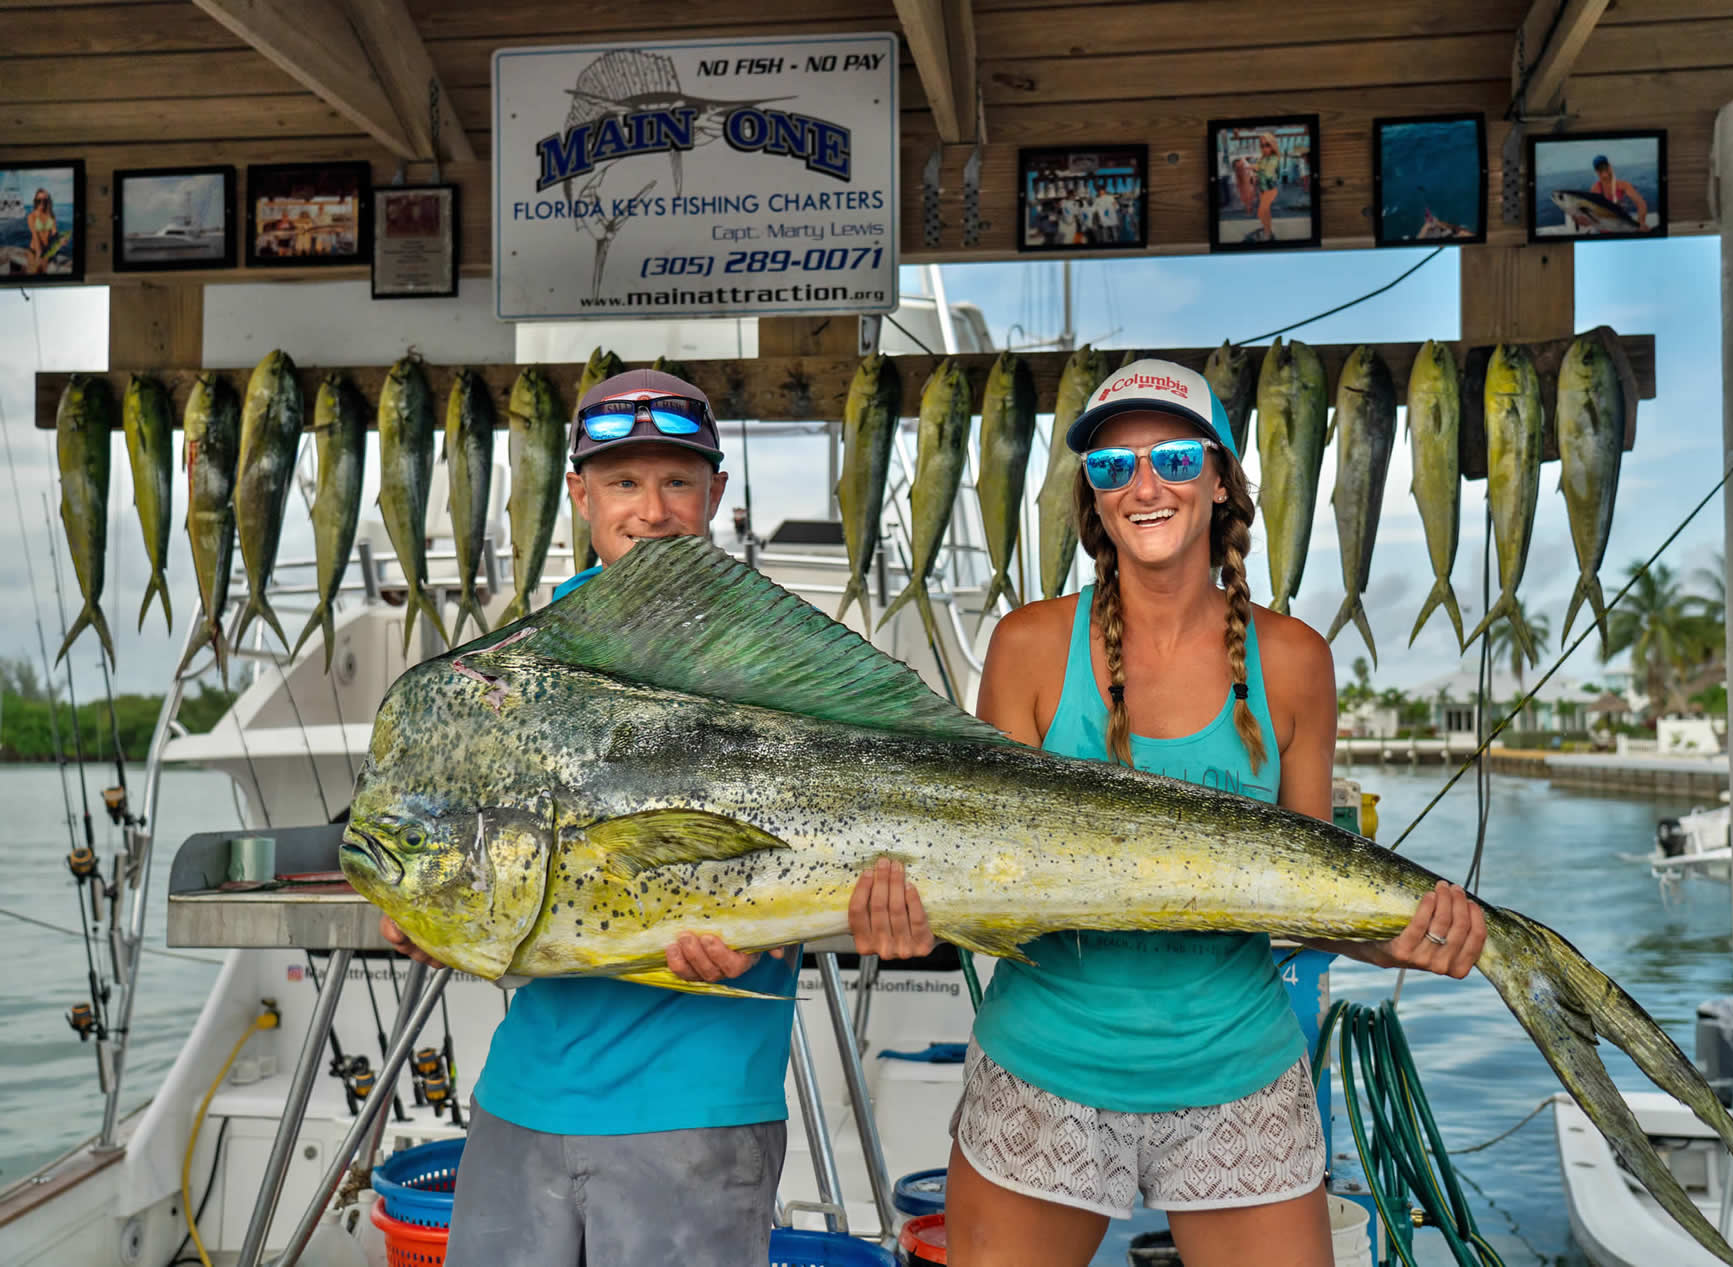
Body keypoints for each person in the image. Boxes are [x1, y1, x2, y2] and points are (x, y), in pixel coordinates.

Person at [851, 360, 1488, 1267]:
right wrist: (912, 915)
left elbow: (1313, 901)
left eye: (1176, 458)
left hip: (1238, 1072)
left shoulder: (1296, 658)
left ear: (1221, 478)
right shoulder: (1029, 647)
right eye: (1114, 468)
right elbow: (980, 870)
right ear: (1095, 501)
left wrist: (1408, 933)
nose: (1146, 485)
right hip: (1045, 1064)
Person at [383, 369, 794, 1266]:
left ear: (716, 493)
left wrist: (781, 928)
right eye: (621, 481)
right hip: (524, 1096)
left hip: (697, 1110)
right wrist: (424, 910)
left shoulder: (778, 657)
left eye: (677, 480)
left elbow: (821, 854)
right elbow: (463, 844)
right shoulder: (521, 665)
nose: (651, 509)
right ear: (578, 493)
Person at [1590, 154, 1649, 229]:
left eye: (1605, 167)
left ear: (1610, 166)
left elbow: (1641, 204)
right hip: (1604, 226)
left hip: (1621, 222)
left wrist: (1641, 222)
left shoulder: (1623, 185)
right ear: (1596, 171)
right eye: (1600, 169)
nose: (1603, 170)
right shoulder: (1595, 189)